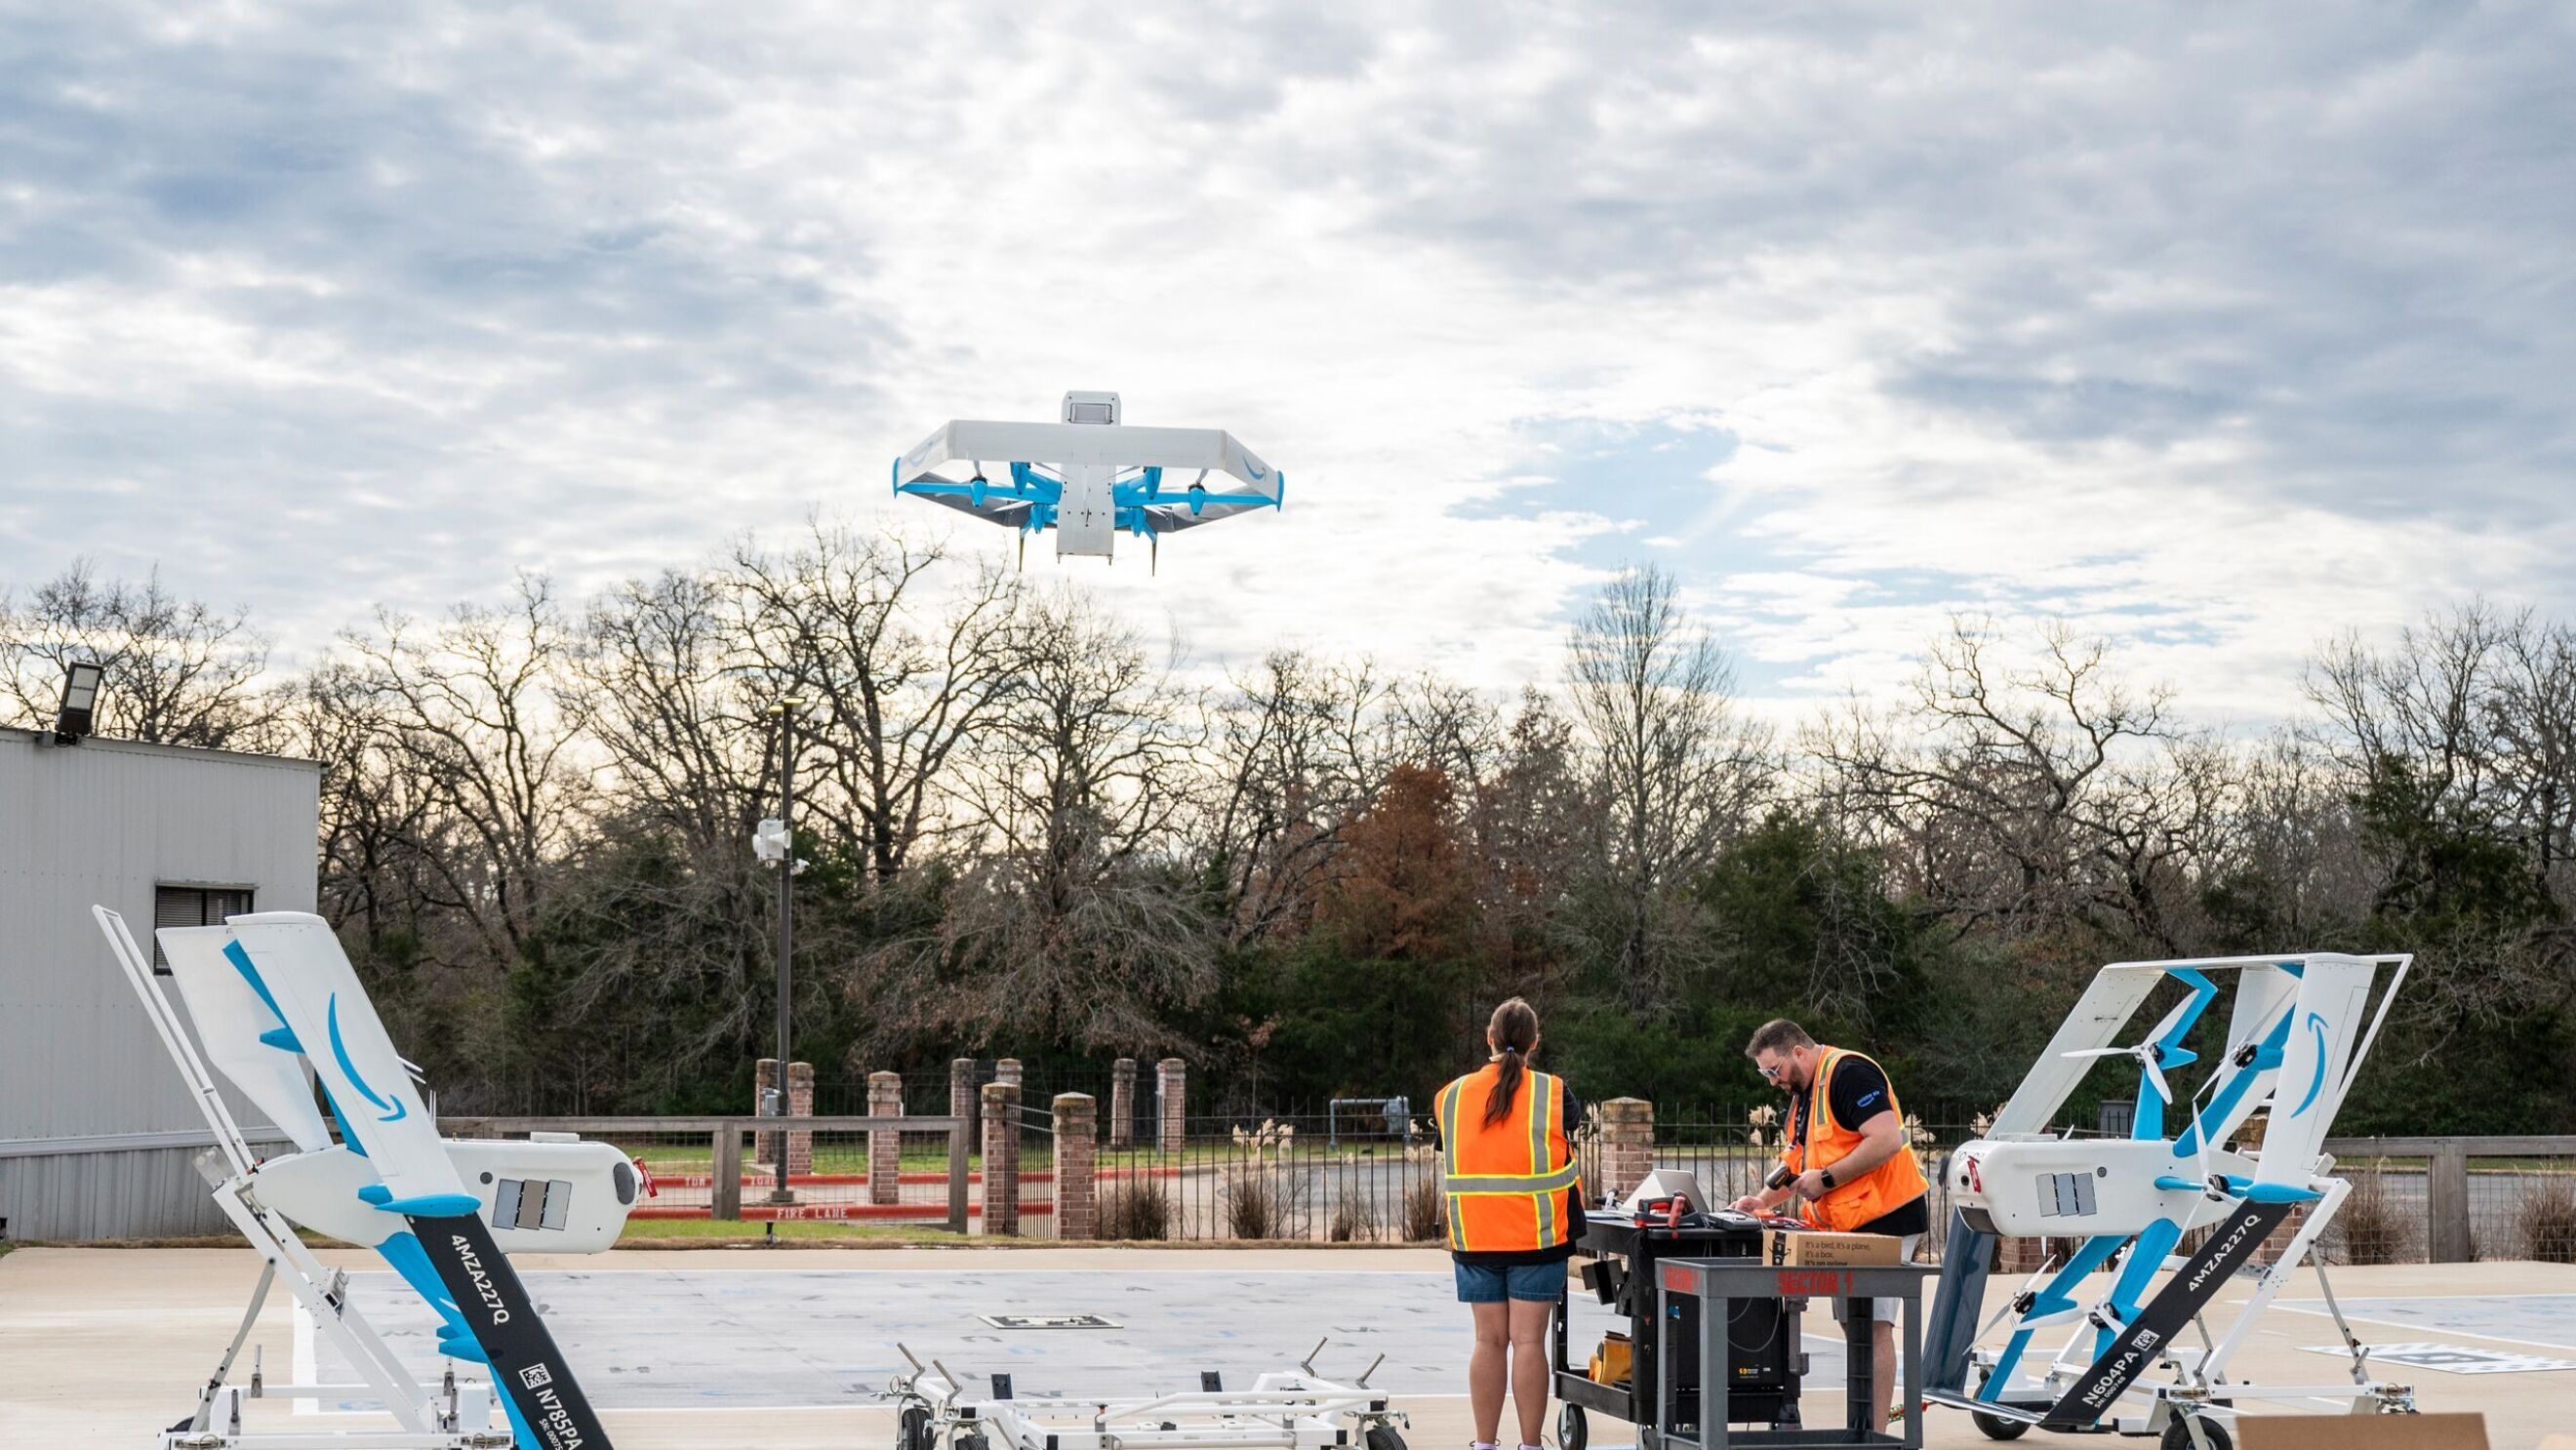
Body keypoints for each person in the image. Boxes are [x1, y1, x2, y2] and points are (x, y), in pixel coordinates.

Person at [1729, 1019, 1928, 1434]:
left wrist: (1828, 1179)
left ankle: (1873, 1435)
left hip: (1888, 1218)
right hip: (1849, 1226)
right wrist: (1762, 1201)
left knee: (1873, 1324)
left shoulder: (1849, 1074)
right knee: (1854, 1323)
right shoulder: (1804, 1093)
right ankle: (1862, 1426)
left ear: (1797, 1052)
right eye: (1766, 1074)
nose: (1773, 1082)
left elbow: (1887, 1139)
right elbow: (1795, 1161)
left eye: (1774, 1070)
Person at [1433, 998, 1584, 1450]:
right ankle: (1530, 1445)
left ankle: (1484, 1444)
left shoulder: (1451, 1095)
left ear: (1489, 1038)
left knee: (1488, 1341)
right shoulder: (1554, 1093)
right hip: (1537, 1239)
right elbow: (1568, 1132)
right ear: (1535, 1042)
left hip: (1476, 1237)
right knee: (1528, 1344)